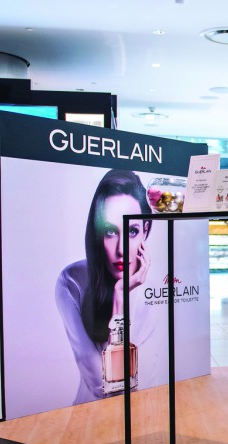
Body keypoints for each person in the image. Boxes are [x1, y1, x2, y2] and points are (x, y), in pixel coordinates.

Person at [55, 169, 155, 405]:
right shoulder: (72, 282)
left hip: (147, 416)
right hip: (90, 422)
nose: (121, 249)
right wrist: (120, 298)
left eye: (132, 231)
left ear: (146, 230)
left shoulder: (158, 291)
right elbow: (104, 385)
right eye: (110, 231)